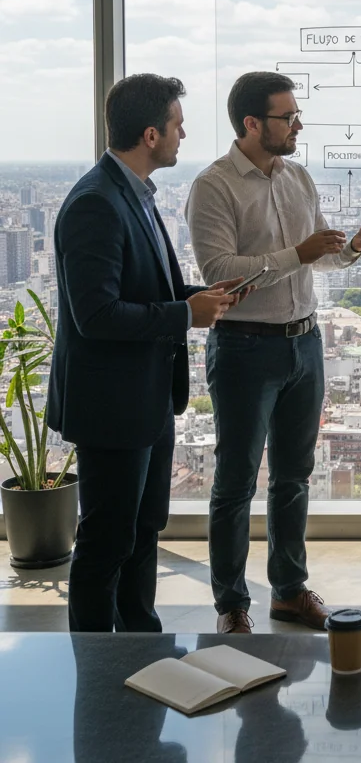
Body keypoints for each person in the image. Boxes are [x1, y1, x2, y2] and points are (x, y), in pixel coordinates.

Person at [186, 71, 361, 634]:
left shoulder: (298, 177)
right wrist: (295, 255)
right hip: (245, 347)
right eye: (287, 116)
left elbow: (317, 252)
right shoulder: (214, 186)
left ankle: (288, 591)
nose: (297, 124)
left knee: (294, 476)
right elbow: (219, 273)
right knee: (235, 482)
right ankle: (231, 604)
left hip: (305, 342)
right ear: (252, 124)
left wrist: (350, 250)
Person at [49, 74, 239, 632]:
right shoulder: (95, 203)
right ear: (151, 134)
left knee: (140, 534)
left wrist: (196, 299)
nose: (185, 134)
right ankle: (98, 676)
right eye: (178, 124)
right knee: (106, 545)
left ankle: (141, 648)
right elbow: (97, 314)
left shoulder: (132, 191)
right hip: (113, 410)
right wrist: (186, 315)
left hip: (148, 402)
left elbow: (141, 291)